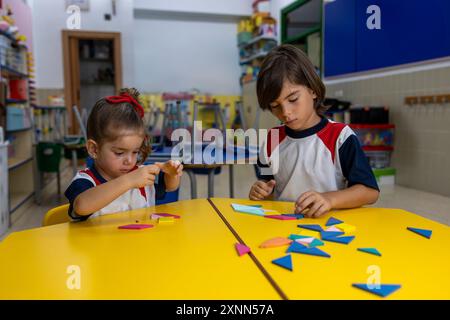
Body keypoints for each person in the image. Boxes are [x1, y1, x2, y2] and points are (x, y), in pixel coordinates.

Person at [249, 45, 379, 218]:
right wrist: (261, 190)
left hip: (329, 229)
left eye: (293, 99)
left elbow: (370, 191)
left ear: (312, 90)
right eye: (275, 106)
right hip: (282, 227)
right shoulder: (272, 139)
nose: (285, 112)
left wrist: (329, 199)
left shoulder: (341, 137)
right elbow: (267, 182)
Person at [65, 88, 183, 220]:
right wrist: (129, 180)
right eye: (119, 153)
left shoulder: (140, 176)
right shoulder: (85, 181)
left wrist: (172, 174)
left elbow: (169, 187)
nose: (129, 160)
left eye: (135, 152)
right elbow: (81, 206)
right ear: (94, 149)